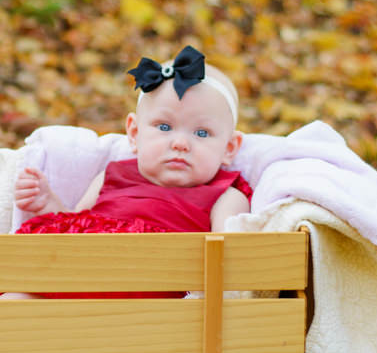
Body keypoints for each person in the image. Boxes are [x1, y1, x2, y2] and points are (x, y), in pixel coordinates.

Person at [13, 45, 251, 236]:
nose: (180, 143)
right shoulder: (112, 175)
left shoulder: (225, 194)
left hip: (155, 285)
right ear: (135, 134)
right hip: (83, 274)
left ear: (229, 148)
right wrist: (49, 205)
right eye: (165, 127)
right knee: (20, 296)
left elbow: (226, 256)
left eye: (201, 133)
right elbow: (75, 227)